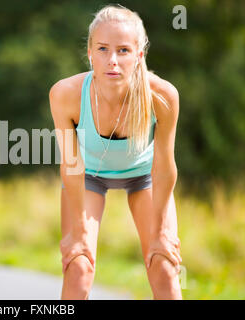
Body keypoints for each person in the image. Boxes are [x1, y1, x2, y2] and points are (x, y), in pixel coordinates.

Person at [49, 4, 182, 300]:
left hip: (144, 176)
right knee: (79, 268)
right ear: (89, 53)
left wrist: (161, 232)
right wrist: (79, 232)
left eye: (123, 50)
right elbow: (72, 167)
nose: (112, 60)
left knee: (165, 268)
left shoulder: (162, 97)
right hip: (88, 178)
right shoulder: (65, 94)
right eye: (103, 49)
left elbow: (164, 169)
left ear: (139, 55)